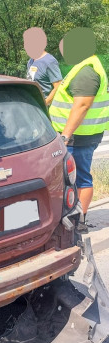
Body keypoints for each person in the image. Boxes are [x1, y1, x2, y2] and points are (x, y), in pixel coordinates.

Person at [49, 27, 108, 230]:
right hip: (79, 135)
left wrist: (65, 135)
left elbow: (82, 105)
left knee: (80, 177)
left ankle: (78, 221)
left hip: (79, 137)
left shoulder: (86, 71)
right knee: (71, 178)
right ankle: (72, 217)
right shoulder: (83, 66)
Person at [23, 27, 62, 104]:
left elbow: (58, 86)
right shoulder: (30, 61)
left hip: (44, 107)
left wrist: (44, 104)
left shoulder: (49, 61)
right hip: (32, 104)